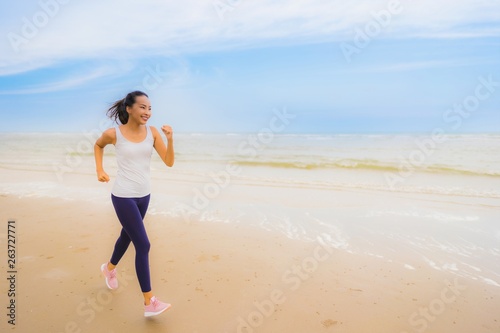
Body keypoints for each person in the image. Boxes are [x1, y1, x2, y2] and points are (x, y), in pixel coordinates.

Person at [94, 90, 174, 317]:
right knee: (144, 244)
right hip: (123, 196)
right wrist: (100, 169)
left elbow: (168, 162)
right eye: (142, 107)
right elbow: (98, 146)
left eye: (149, 108)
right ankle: (150, 302)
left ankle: (108, 269)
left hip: (144, 195)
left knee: (126, 236)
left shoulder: (153, 133)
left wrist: (170, 139)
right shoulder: (113, 134)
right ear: (129, 108)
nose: (147, 112)